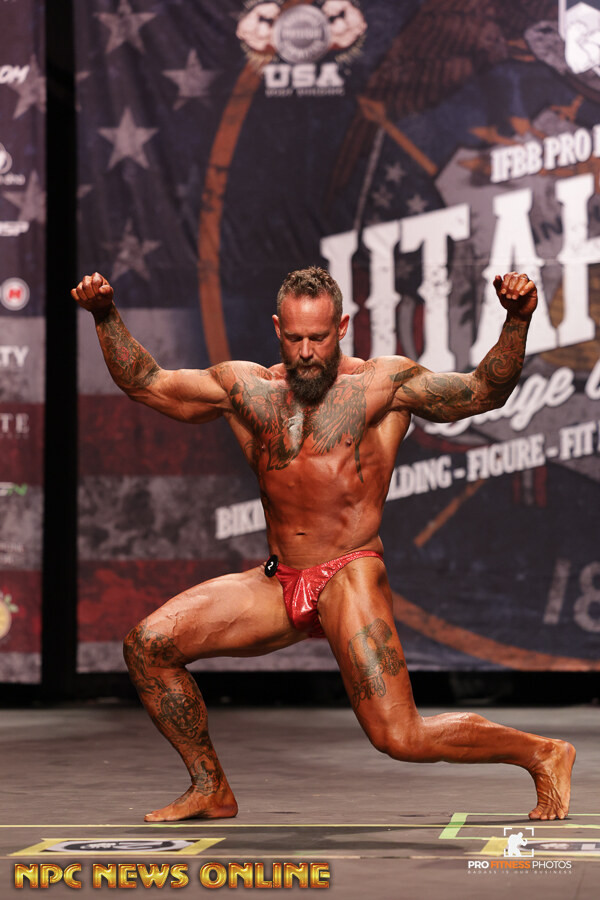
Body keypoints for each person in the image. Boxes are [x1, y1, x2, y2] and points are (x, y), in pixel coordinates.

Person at [72, 267, 575, 824]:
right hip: (281, 578)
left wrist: (517, 320)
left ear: (342, 327)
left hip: (349, 572)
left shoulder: (383, 385)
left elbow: (482, 391)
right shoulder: (246, 389)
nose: (307, 352)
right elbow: (148, 382)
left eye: (318, 337)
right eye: (295, 339)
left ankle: (542, 753)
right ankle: (210, 786)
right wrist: (105, 315)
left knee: (400, 736)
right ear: (277, 330)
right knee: (147, 646)